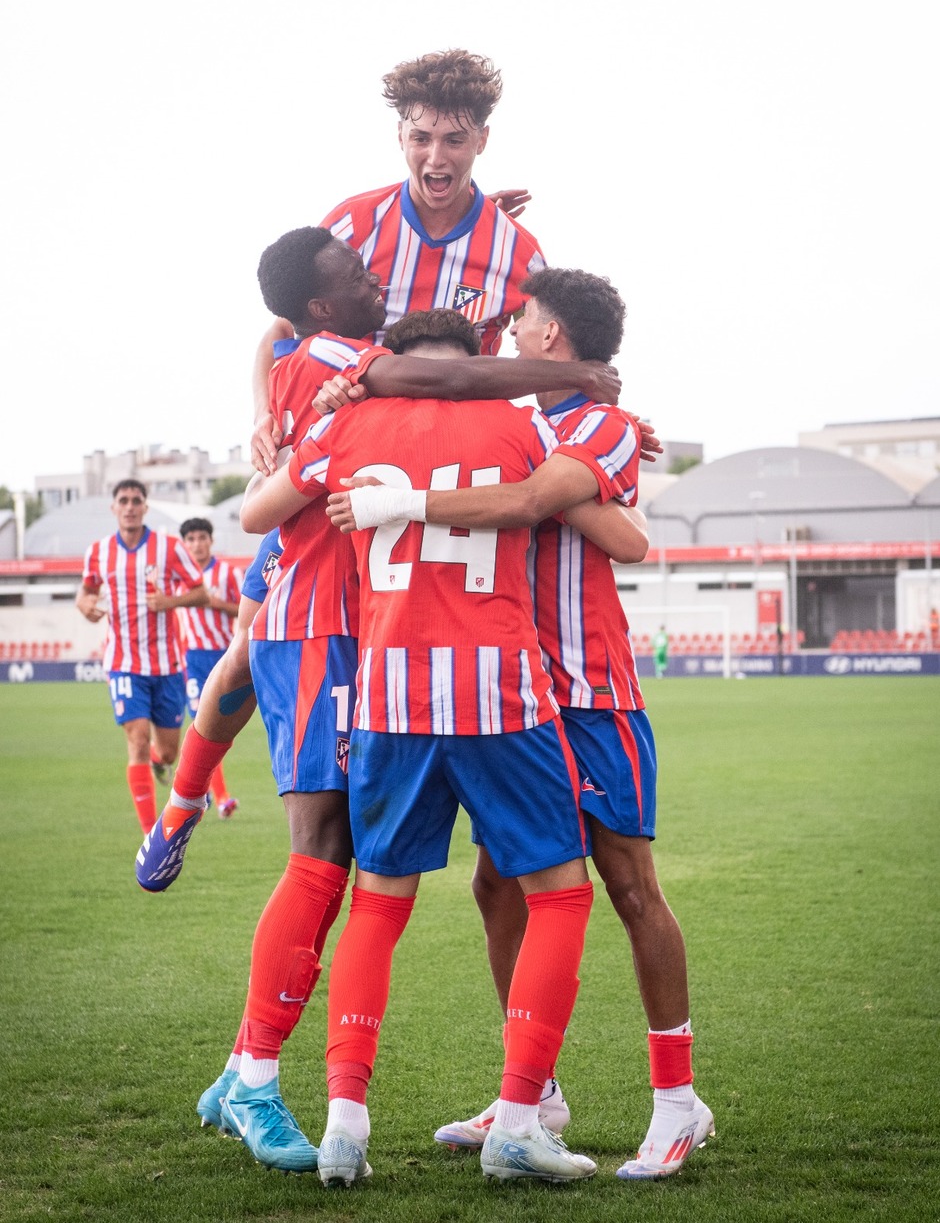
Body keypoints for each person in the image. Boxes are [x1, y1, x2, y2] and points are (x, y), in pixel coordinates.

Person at [170, 229, 621, 1178]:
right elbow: (603, 527)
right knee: (559, 892)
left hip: (376, 692)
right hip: (499, 694)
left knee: (370, 897)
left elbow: (256, 512)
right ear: (469, 370)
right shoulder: (521, 423)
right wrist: (604, 432)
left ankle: (345, 1124)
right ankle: (519, 1121)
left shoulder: (341, 416)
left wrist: (280, 439)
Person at [329, 268, 714, 1182]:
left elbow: (596, 528)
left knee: (628, 886)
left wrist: (517, 489)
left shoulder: (599, 425)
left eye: (522, 319)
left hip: (589, 693)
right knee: (500, 890)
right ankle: (530, 1096)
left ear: (550, 338)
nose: (508, 332)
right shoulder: (510, 418)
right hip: (514, 701)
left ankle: (676, 1099)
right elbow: (440, 378)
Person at [251, 48, 547, 476]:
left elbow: (548, 357)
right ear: (400, 136)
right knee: (269, 532)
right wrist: (264, 414)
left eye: (455, 140)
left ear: (482, 140)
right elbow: (283, 329)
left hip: (461, 464)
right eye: (421, 138)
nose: (436, 157)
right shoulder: (351, 226)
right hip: (350, 455)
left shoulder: (519, 253)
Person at [76, 480, 208, 834]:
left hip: (167, 665)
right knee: (135, 738)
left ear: (145, 507)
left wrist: (171, 602)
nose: (130, 506)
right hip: (123, 664)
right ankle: (151, 835)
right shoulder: (99, 552)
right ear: (114, 508)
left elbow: (201, 593)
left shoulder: (169, 548)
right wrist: (85, 604)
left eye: (136, 500)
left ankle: (156, 759)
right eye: (124, 500)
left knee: (167, 753)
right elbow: (85, 592)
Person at [177, 517, 243, 817]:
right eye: (190, 539)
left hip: (224, 656)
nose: (196, 544)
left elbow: (246, 609)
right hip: (193, 659)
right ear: (184, 544)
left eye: (201, 537)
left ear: (210, 540)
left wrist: (215, 603)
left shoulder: (227, 573)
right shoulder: (178, 577)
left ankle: (160, 756)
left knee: (219, 727)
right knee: (203, 727)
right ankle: (221, 798)